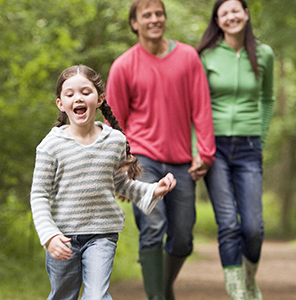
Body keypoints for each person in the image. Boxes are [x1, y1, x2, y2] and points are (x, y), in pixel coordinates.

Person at [30, 65, 177, 300]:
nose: (78, 98)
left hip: (102, 234)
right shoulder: (50, 146)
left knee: (96, 296)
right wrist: (49, 236)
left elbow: (120, 184)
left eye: (85, 92)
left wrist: (153, 190)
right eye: (70, 94)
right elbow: (39, 195)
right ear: (61, 103)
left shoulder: (114, 140)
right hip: (63, 235)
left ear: (99, 99)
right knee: (63, 295)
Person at [105, 0, 216, 299]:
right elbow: (114, 122)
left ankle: (163, 287)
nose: (155, 19)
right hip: (143, 160)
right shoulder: (124, 65)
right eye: (147, 15)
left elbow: (202, 108)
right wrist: (119, 164)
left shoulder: (188, 57)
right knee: (153, 226)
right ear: (134, 23)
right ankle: (156, 296)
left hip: (181, 162)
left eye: (159, 14)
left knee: (182, 238)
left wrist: (204, 153)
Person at [195, 0, 275, 299]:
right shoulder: (207, 56)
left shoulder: (264, 54)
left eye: (235, 11)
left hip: (249, 146)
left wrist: (261, 139)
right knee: (228, 223)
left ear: (246, 13)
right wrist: (197, 149)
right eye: (223, 13)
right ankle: (238, 293)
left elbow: (267, 98)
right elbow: (196, 105)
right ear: (217, 20)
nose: (231, 17)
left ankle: (249, 278)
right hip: (213, 147)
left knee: (253, 227)